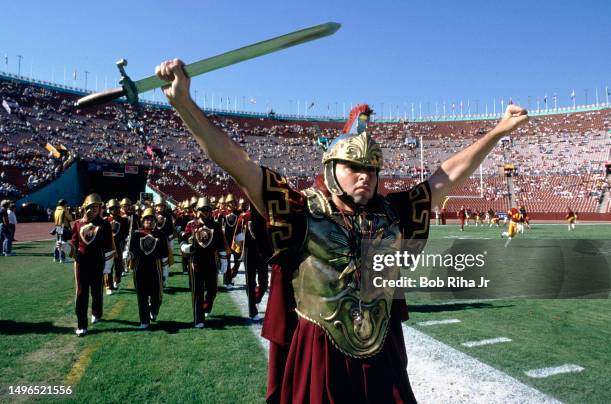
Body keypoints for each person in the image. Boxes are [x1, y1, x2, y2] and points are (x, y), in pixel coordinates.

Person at [155, 58, 528, 403]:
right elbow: (239, 163)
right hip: (319, 347)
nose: (365, 175)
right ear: (332, 169)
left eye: (371, 169)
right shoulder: (299, 210)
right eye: (353, 167)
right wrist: (184, 105)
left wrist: (497, 132)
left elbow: (445, 176)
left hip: (381, 349)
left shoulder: (393, 212)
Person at [57, 193, 115, 336]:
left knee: (96, 291)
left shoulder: (105, 224)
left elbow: (108, 245)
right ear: (85, 207)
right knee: (81, 293)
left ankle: (96, 312)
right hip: (81, 263)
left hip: (98, 261)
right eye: (91, 206)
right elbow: (75, 245)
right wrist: (66, 247)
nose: (94, 209)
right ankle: (82, 324)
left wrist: (108, 265)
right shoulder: (77, 223)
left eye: (97, 207)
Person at [180, 197, 227, 328]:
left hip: (211, 261)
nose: (205, 212)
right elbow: (183, 239)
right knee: (197, 291)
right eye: (202, 210)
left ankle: (206, 306)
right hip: (196, 262)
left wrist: (224, 260)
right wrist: (185, 247)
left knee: (213, 290)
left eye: (207, 210)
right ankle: (198, 319)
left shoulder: (216, 226)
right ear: (197, 210)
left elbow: (221, 244)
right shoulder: (191, 225)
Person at [124, 207, 169, 329]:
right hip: (140, 268)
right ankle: (144, 320)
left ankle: (154, 310)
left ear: (155, 221)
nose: (149, 221)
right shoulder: (136, 234)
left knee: (157, 295)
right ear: (143, 221)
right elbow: (133, 252)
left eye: (152, 219)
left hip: (155, 268)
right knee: (141, 295)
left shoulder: (161, 235)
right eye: (147, 219)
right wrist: (128, 255)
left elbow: (164, 255)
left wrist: (165, 272)